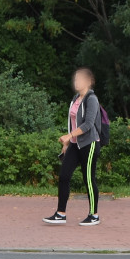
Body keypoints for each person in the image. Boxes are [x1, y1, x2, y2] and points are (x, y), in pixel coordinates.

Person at [44, 68, 102, 226]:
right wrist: (68, 142)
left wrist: (69, 136)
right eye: (75, 79)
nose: (76, 82)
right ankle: (60, 214)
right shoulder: (76, 98)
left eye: (80, 79)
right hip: (75, 144)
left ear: (89, 82)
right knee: (64, 176)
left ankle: (94, 215)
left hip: (89, 144)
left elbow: (88, 124)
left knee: (88, 179)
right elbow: (73, 123)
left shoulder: (92, 99)